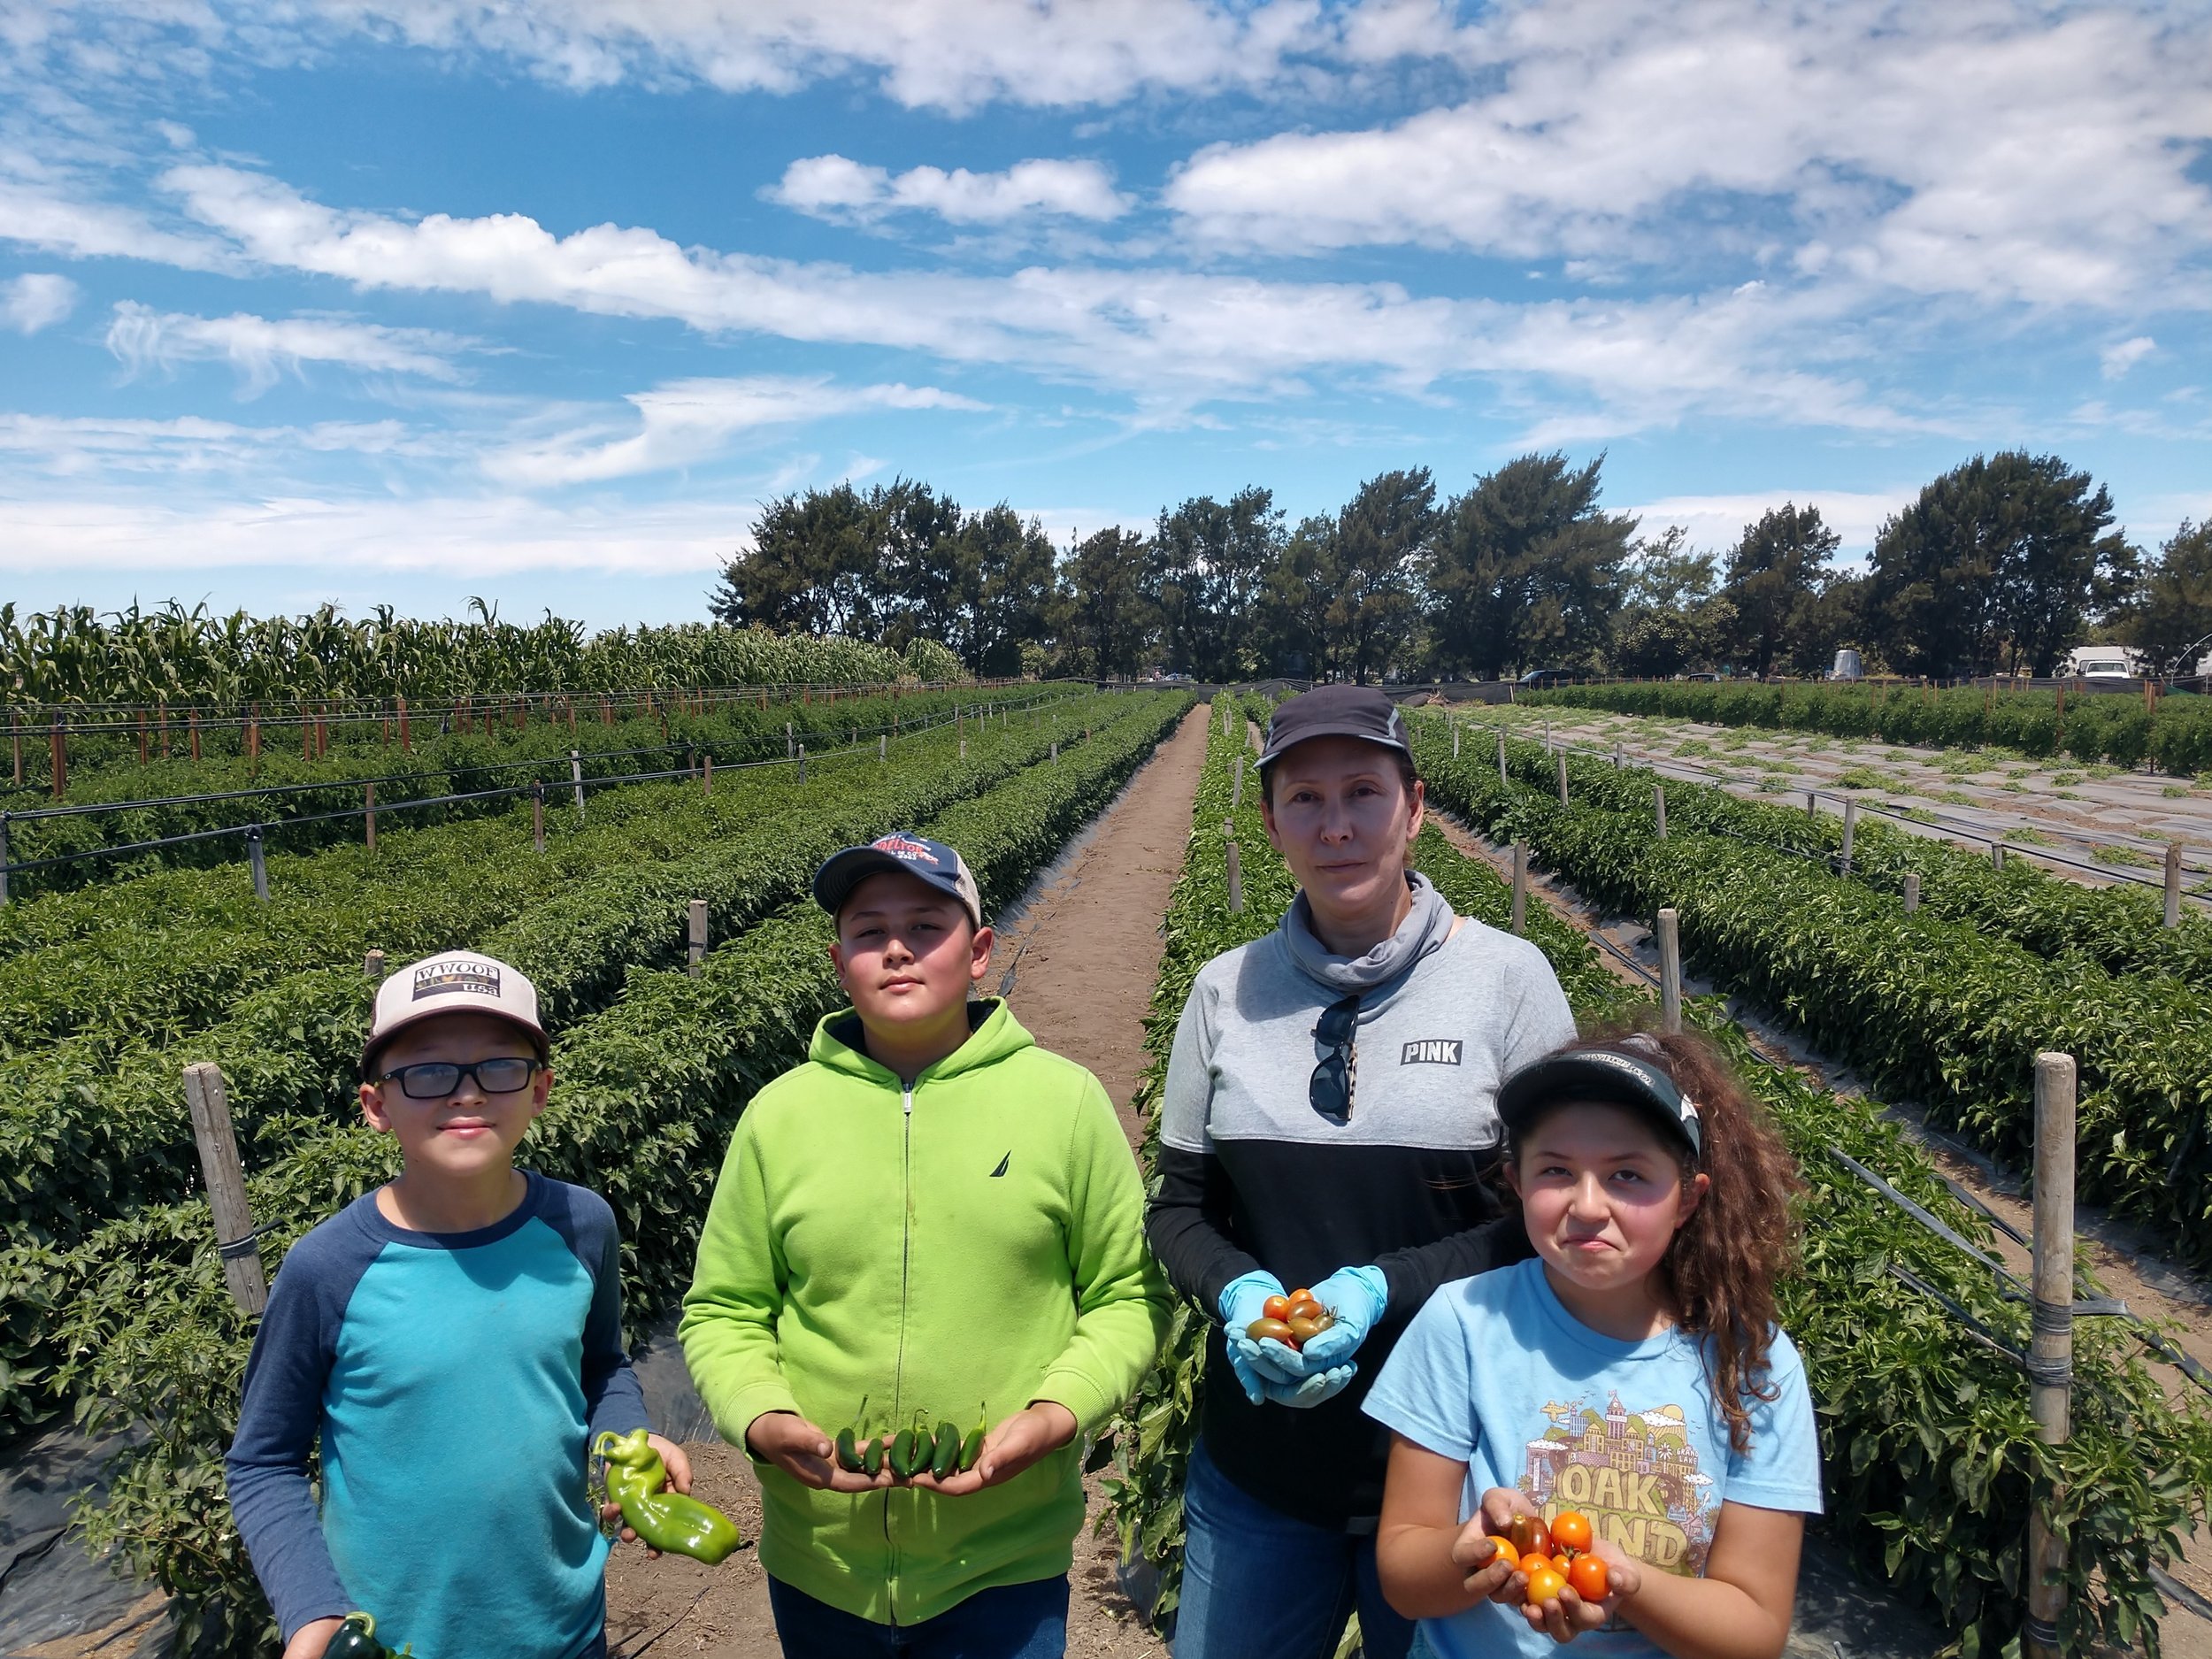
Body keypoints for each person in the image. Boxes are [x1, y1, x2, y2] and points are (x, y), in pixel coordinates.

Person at [1147, 685, 1578, 1659]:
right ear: (1271, 824)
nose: (1335, 826)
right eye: (1304, 799)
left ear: (1414, 808)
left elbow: (1547, 1223)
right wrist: (1237, 1293)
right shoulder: (1222, 992)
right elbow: (1178, 1209)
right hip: (1261, 1472)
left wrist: (1382, 1288)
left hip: (1458, 1476)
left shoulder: (1510, 983)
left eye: (1363, 793)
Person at [680, 831, 1170, 1659]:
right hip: (821, 1562)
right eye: (869, 930)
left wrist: (1056, 1413)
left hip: (1004, 1563)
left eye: (926, 926)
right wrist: (762, 1416)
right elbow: (725, 1307)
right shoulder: (780, 1116)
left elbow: (1128, 1293)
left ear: (979, 952)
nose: (897, 948)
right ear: (840, 964)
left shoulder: (1064, 1104)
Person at [227, 951, 683, 1659]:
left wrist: (627, 1435)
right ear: (377, 1105)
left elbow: (601, 1367)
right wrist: (314, 1611)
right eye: (429, 1072)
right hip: (396, 1641)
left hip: (566, 1630)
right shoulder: (328, 1268)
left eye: (499, 1066)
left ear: (539, 1089)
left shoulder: (580, 1225)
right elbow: (262, 1461)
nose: (467, 1093)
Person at [1363, 1031, 1821, 1659]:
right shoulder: (1463, 1322)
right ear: (1516, 1181)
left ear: (1687, 1197)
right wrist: (1469, 1550)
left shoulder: (1752, 1363)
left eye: (1627, 1175)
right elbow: (1403, 1573)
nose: (1587, 1205)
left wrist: (1630, 1586)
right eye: (1556, 1170)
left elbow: (1753, 1629)